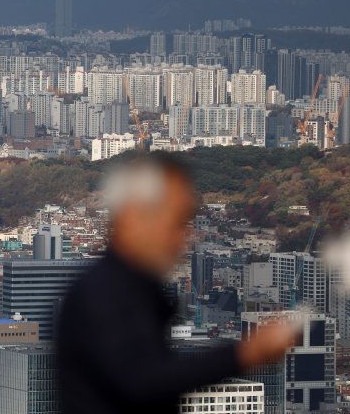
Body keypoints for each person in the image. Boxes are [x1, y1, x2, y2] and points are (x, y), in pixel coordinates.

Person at [57, 153, 297, 413]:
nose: (184, 237)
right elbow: (141, 381)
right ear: (134, 217)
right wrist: (245, 354)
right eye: (176, 222)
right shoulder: (102, 292)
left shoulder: (128, 290)